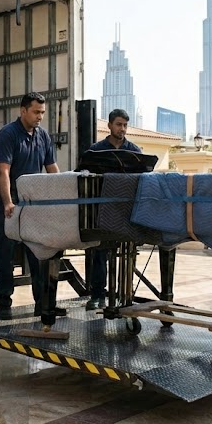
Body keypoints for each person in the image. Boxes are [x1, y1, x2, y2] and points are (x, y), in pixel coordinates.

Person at [0, 92, 60, 320]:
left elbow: (52, 169)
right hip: (10, 202)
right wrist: (7, 202)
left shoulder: (43, 137)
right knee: (6, 255)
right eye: (36, 112)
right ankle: (4, 305)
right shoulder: (8, 134)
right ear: (23, 111)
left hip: (34, 204)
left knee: (39, 255)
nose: (40, 116)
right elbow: (3, 170)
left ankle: (42, 304)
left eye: (42, 112)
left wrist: (62, 198)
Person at [84, 109, 143, 310]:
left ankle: (124, 296)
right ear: (109, 126)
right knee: (99, 253)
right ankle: (97, 295)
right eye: (119, 124)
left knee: (128, 253)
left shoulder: (135, 151)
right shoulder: (96, 150)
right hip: (102, 209)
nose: (122, 129)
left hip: (126, 210)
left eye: (125, 125)